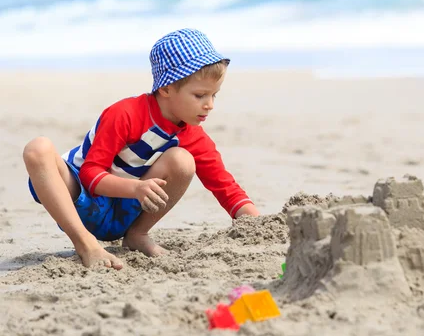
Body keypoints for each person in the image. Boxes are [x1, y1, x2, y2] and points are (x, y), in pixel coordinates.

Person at [22, 28, 260, 270]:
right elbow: (90, 174)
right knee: (37, 148)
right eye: (200, 95)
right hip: (81, 199)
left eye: (214, 96)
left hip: (127, 211)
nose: (209, 105)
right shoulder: (125, 114)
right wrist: (135, 187)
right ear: (166, 89)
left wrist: (262, 225)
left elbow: (225, 186)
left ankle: (138, 235)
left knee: (183, 161)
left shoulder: (192, 135)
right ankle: (86, 244)